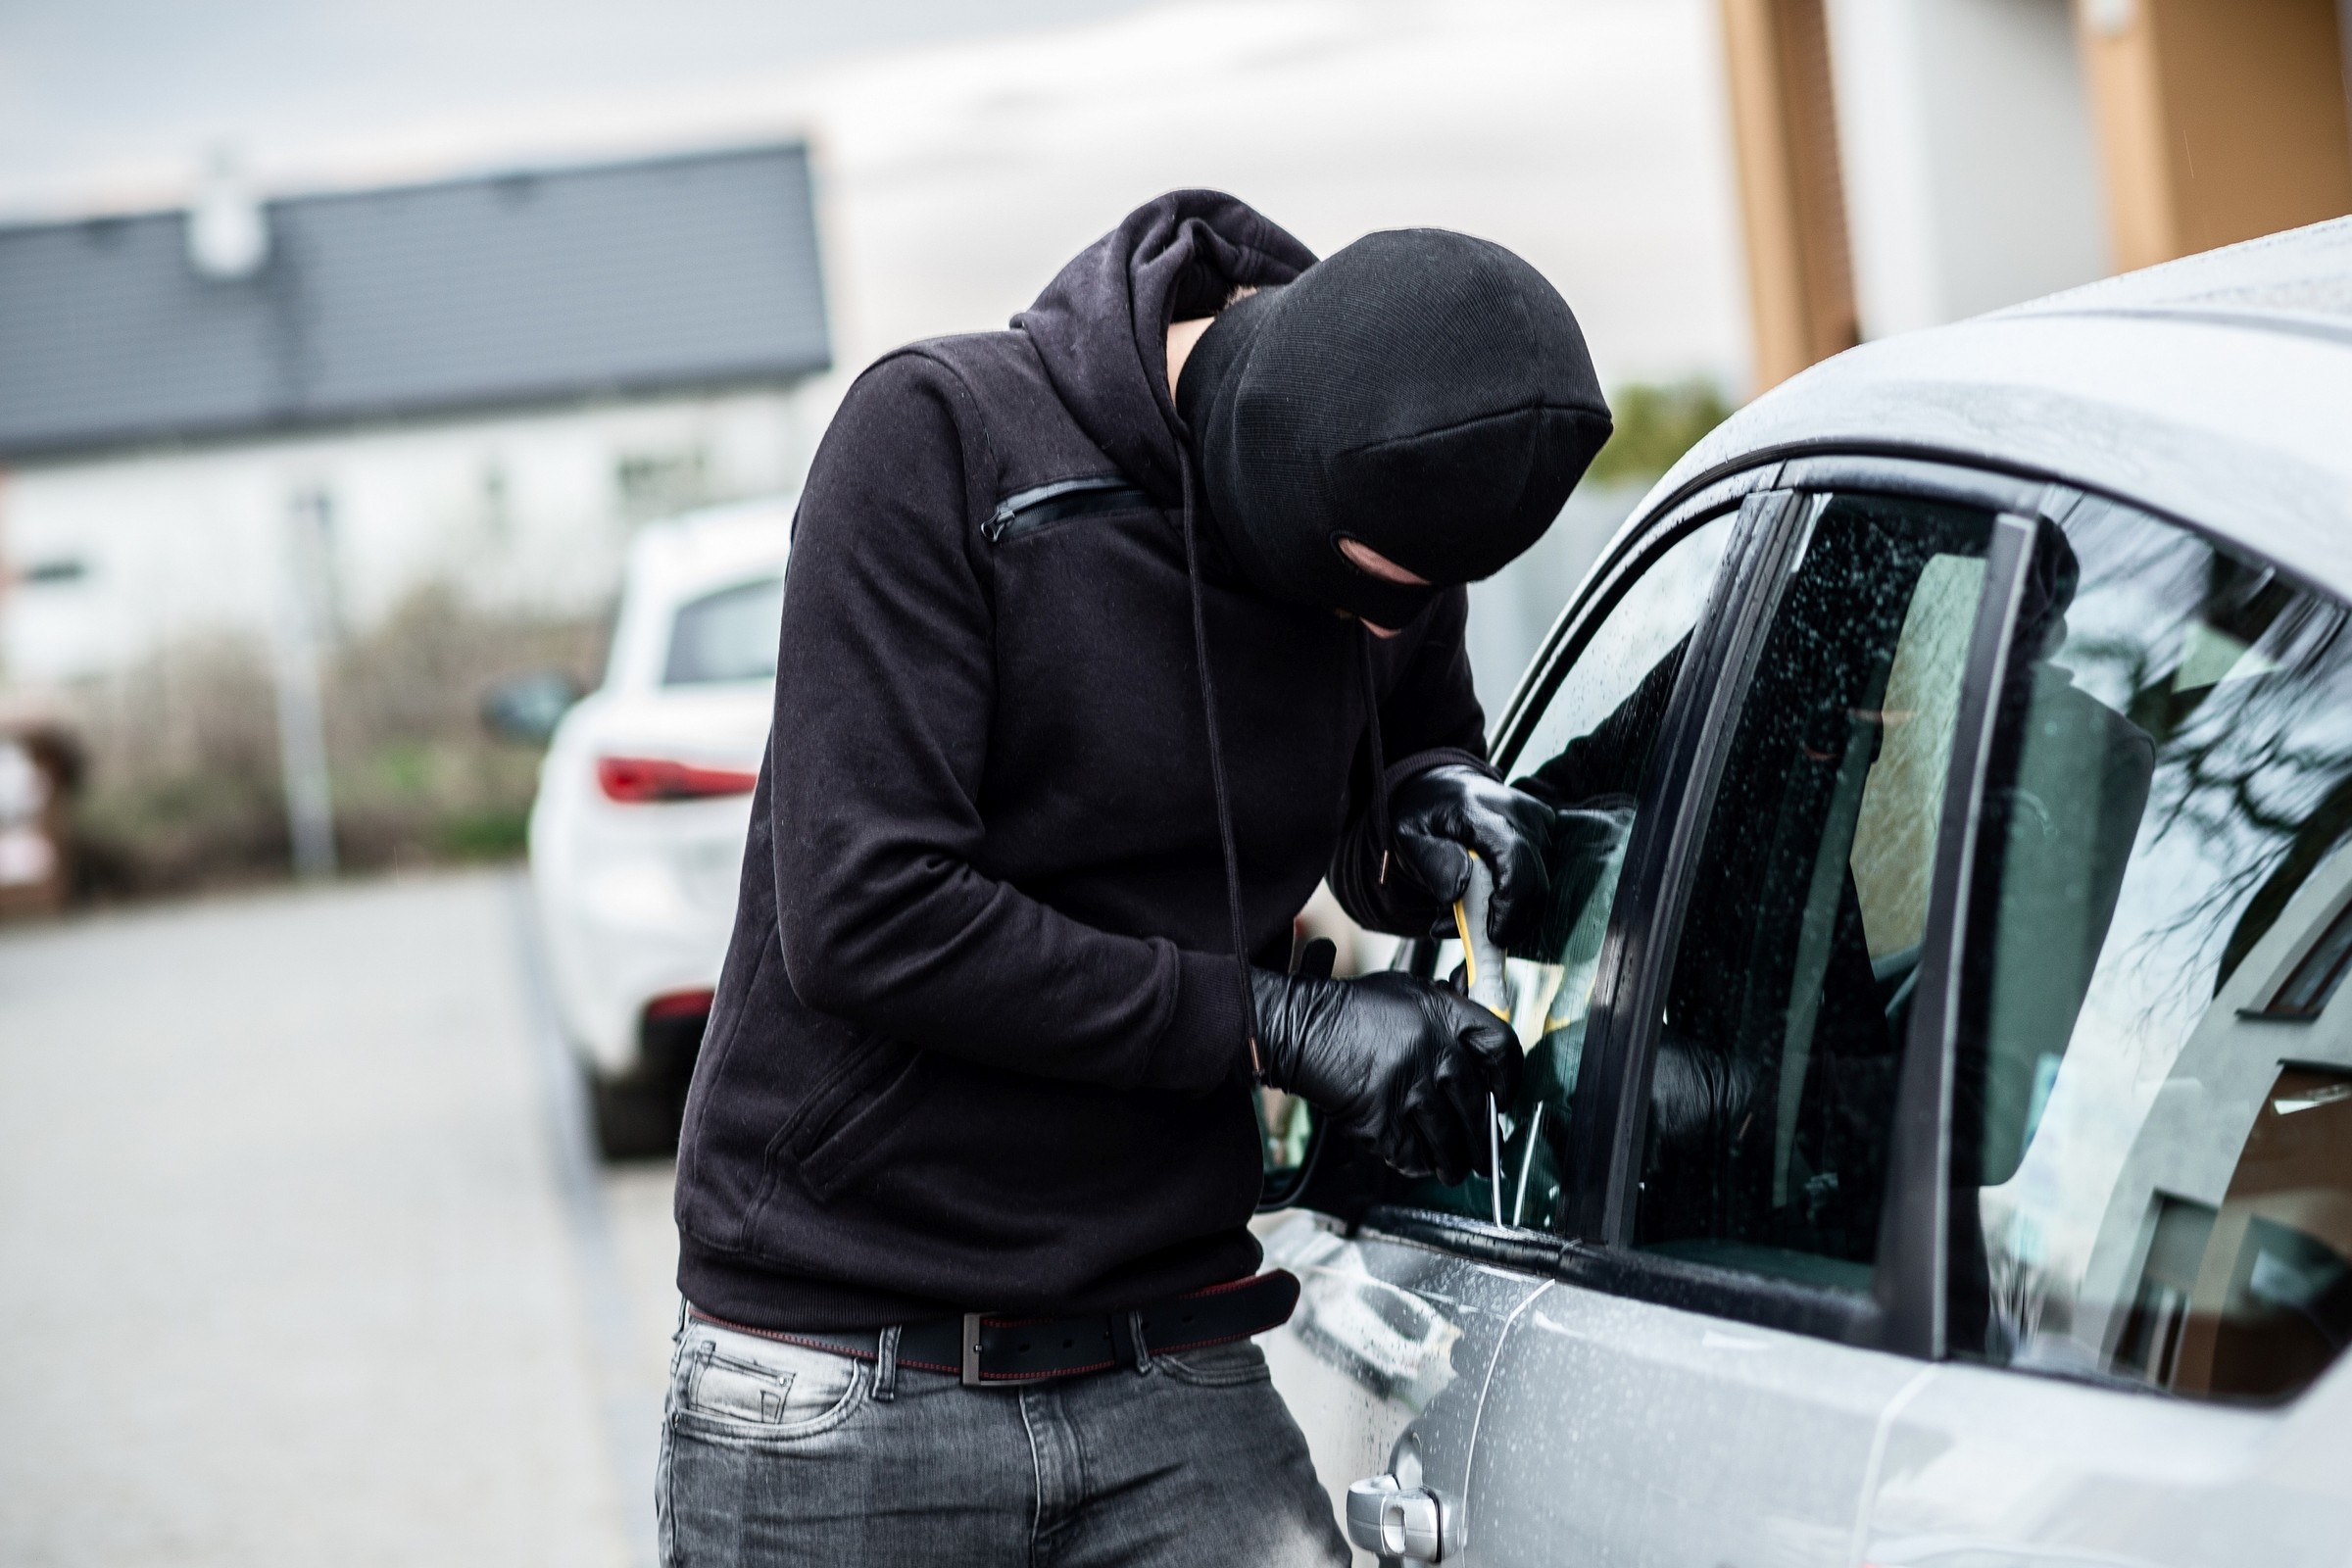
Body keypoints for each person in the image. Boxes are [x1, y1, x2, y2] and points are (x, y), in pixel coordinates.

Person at [660, 190, 1612, 1567]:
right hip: (846, 1374)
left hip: (1172, 1350)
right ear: (1268, 467)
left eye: (1420, 599)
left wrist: (1426, 805)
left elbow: (1383, 771)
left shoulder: (1395, 503)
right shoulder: (940, 441)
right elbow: (870, 913)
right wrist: (1278, 1025)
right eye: (1368, 589)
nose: (1386, 624)